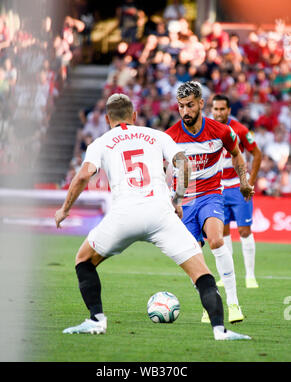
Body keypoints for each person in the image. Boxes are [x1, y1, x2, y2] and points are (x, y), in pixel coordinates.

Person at [54, 93, 251, 341]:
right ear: (134, 116)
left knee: (83, 260)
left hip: (124, 216)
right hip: (160, 214)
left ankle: (96, 320)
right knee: (202, 272)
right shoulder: (158, 135)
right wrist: (177, 201)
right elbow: (183, 164)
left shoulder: (101, 142)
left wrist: (65, 209)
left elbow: (84, 175)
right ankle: (220, 331)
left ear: (107, 119)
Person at [165, 81, 254, 324]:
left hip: (211, 193)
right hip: (185, 198)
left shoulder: (220, 131)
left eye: (190, 105)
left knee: (216, 240)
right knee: (193, 256)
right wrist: (169, 199)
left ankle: (234, 303)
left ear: (201, 104)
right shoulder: (170, 137)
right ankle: (210, 302)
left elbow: (237, 154)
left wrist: (244, 182)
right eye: (181, 106)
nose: (185, 111)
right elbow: (165, 171)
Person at [211, 94, 262, 288]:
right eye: (215, 109)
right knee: (222, 232)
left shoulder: (240, 129)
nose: (219, 112)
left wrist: (250, 181)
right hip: (217, 188)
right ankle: (227, 275)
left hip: (238, 186)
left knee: (244, 230)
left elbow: (257, 154)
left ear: (229, 110)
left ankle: (250, 275)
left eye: (222, 109)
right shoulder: (207, 129)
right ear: (212, 109)